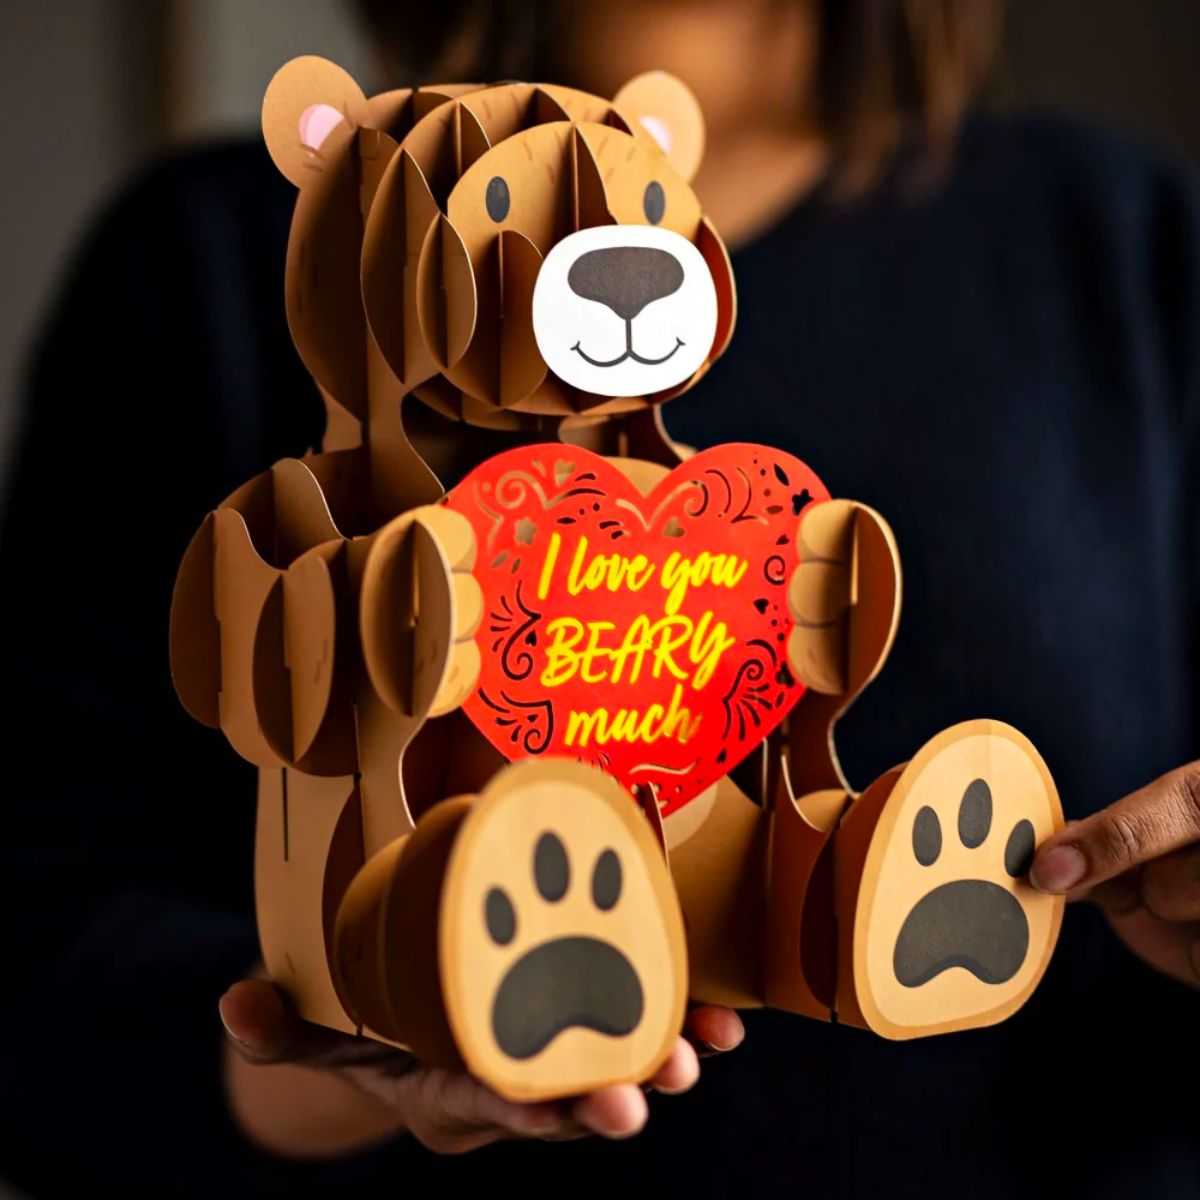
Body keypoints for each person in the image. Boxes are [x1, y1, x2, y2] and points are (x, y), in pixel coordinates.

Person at [2, 0, 1198, 1195]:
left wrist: (833, 595)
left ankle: (856, 893)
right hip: (393, 922)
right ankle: (499, 921)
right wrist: (341, 1060)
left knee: (764, 838)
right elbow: (40, 961)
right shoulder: (210, 274)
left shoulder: (1132, 247)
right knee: (450, 879)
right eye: (509, 219)